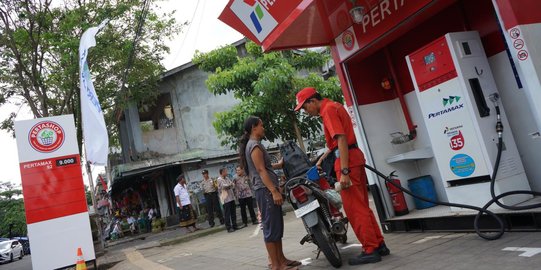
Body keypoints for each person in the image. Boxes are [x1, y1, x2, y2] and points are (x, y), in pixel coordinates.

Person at [295, 87, 389, 265]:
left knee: (355, 209)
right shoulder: (335, 106)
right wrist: (323, 158)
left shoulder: (328, 110)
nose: (306, 112)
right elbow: (338, 141)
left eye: (305, 108)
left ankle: (370, 249)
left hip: (347, 163)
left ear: (312, 101)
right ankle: (379, 244)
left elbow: (341, 140)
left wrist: (344, 171)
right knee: (362, 206)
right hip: (354, 158)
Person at [239, 116, 300, 270]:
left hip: (267, 190)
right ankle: (276, 265)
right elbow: (260, 170)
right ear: (254, 127)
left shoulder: (255, 145)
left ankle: (281, 259)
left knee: (276, 226)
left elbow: (263, 166)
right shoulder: (254, 146)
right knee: (271, 228)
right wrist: (273, 190)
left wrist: (278, 165)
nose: (263, 128)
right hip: (265, 191)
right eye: (261, 125)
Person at [217, 167, 239, 233]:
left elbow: (232, 184)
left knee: (233, 213)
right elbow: (224, 186)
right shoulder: (219, 179)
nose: (226, 172)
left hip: (231, 197)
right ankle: (229, 228)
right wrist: (230, 184)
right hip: (225, 199)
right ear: (222, 172)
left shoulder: (227, 178)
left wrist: (230, 184)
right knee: (227, 214)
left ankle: (235, 226)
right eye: (225, 171)